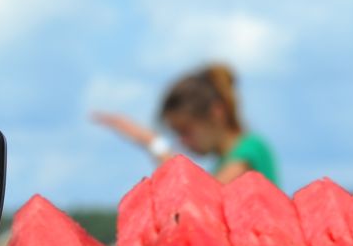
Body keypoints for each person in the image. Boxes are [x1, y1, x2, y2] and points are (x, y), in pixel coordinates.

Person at [91, 63, 280, 185]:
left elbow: (198, 199)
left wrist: (153, 143)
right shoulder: (225, 160)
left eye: (186, 130)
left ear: (217, 113)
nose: (183, 141)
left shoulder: (250, 151)